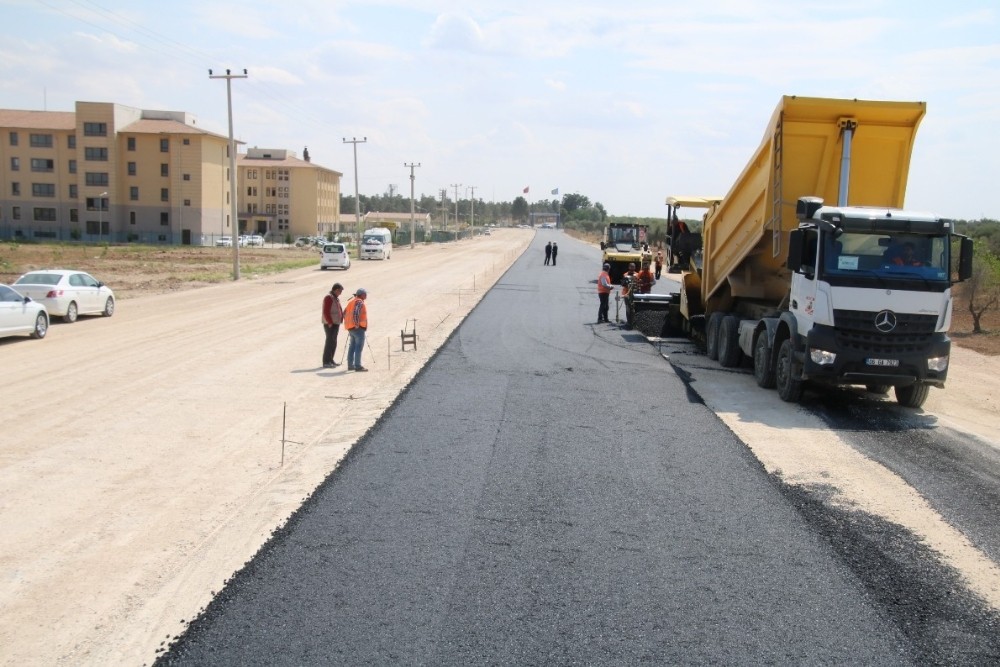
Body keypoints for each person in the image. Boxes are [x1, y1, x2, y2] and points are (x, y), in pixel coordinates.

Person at [344, 287, 369, 372]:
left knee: (352, 347)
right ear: (362, 295)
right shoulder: (359, 302)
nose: (366, 295)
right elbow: (356, 313)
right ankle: (357, 366)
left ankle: (350, 365)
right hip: (358, 328)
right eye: (365, 294)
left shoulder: (351, 302)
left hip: (350, 328)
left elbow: (345, 313)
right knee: (358, 347)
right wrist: (357, 324)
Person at [321, 282, 345, 368]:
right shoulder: (329, 298)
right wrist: (330, 322)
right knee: (329, 342)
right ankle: (326, 362)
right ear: (336, 290)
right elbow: (326, 311)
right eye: (340, 291)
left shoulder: (335, 298)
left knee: (333, 342)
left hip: (336, 323)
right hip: (330, 324)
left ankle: (331, 360)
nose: (340, 293)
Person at [620, 263, 638, 330]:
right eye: (631, 267)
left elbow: (638, 284)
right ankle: (628, 322)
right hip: (626, 294)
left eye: (633, 267)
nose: (632, 268)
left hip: (634, 294)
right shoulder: (625, 275)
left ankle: (633, 322)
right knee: (628, 309)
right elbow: (623, 284)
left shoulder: (637, 275)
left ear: (635, 268)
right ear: (629, 267)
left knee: (633, 309)